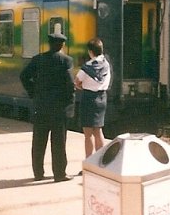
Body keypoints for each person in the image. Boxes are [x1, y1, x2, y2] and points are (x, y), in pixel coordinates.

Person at [20, 32, 75, 182]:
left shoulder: (38, 59)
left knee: (38, 141)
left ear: (49, 44)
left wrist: (33, 92)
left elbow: (23, 76)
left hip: (40, 106)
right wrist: (68, 100)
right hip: (59, 109)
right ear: (62, 45)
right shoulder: (66, 60)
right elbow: (70, 84)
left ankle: (38, 173)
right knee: (58, 143)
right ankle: (59, 174)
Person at [74, 38, 111, 159]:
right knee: (98, 131)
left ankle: (89, 162)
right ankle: (101, 162)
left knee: (88, 134)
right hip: (102, 98)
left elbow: (77, 81)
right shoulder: (106, 64)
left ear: (90, 51)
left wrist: (80, 86)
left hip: (88, 99)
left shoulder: (87, 67)